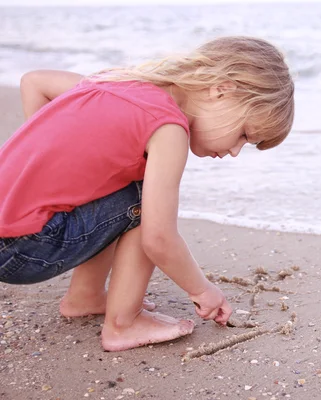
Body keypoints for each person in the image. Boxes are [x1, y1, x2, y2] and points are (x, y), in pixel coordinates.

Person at [0, 36, 295, 352]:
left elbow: (34, 82)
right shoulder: (169, 129)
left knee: (114, 185)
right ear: (222, 89)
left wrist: (45, 159)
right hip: (22, 250)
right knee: (142, 199)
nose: (235, 152)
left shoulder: (119, 82)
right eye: (243, 135)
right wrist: (203, 290)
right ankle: (123, 323)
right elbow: (159, 238)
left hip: (10, 232)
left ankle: (85, 297)